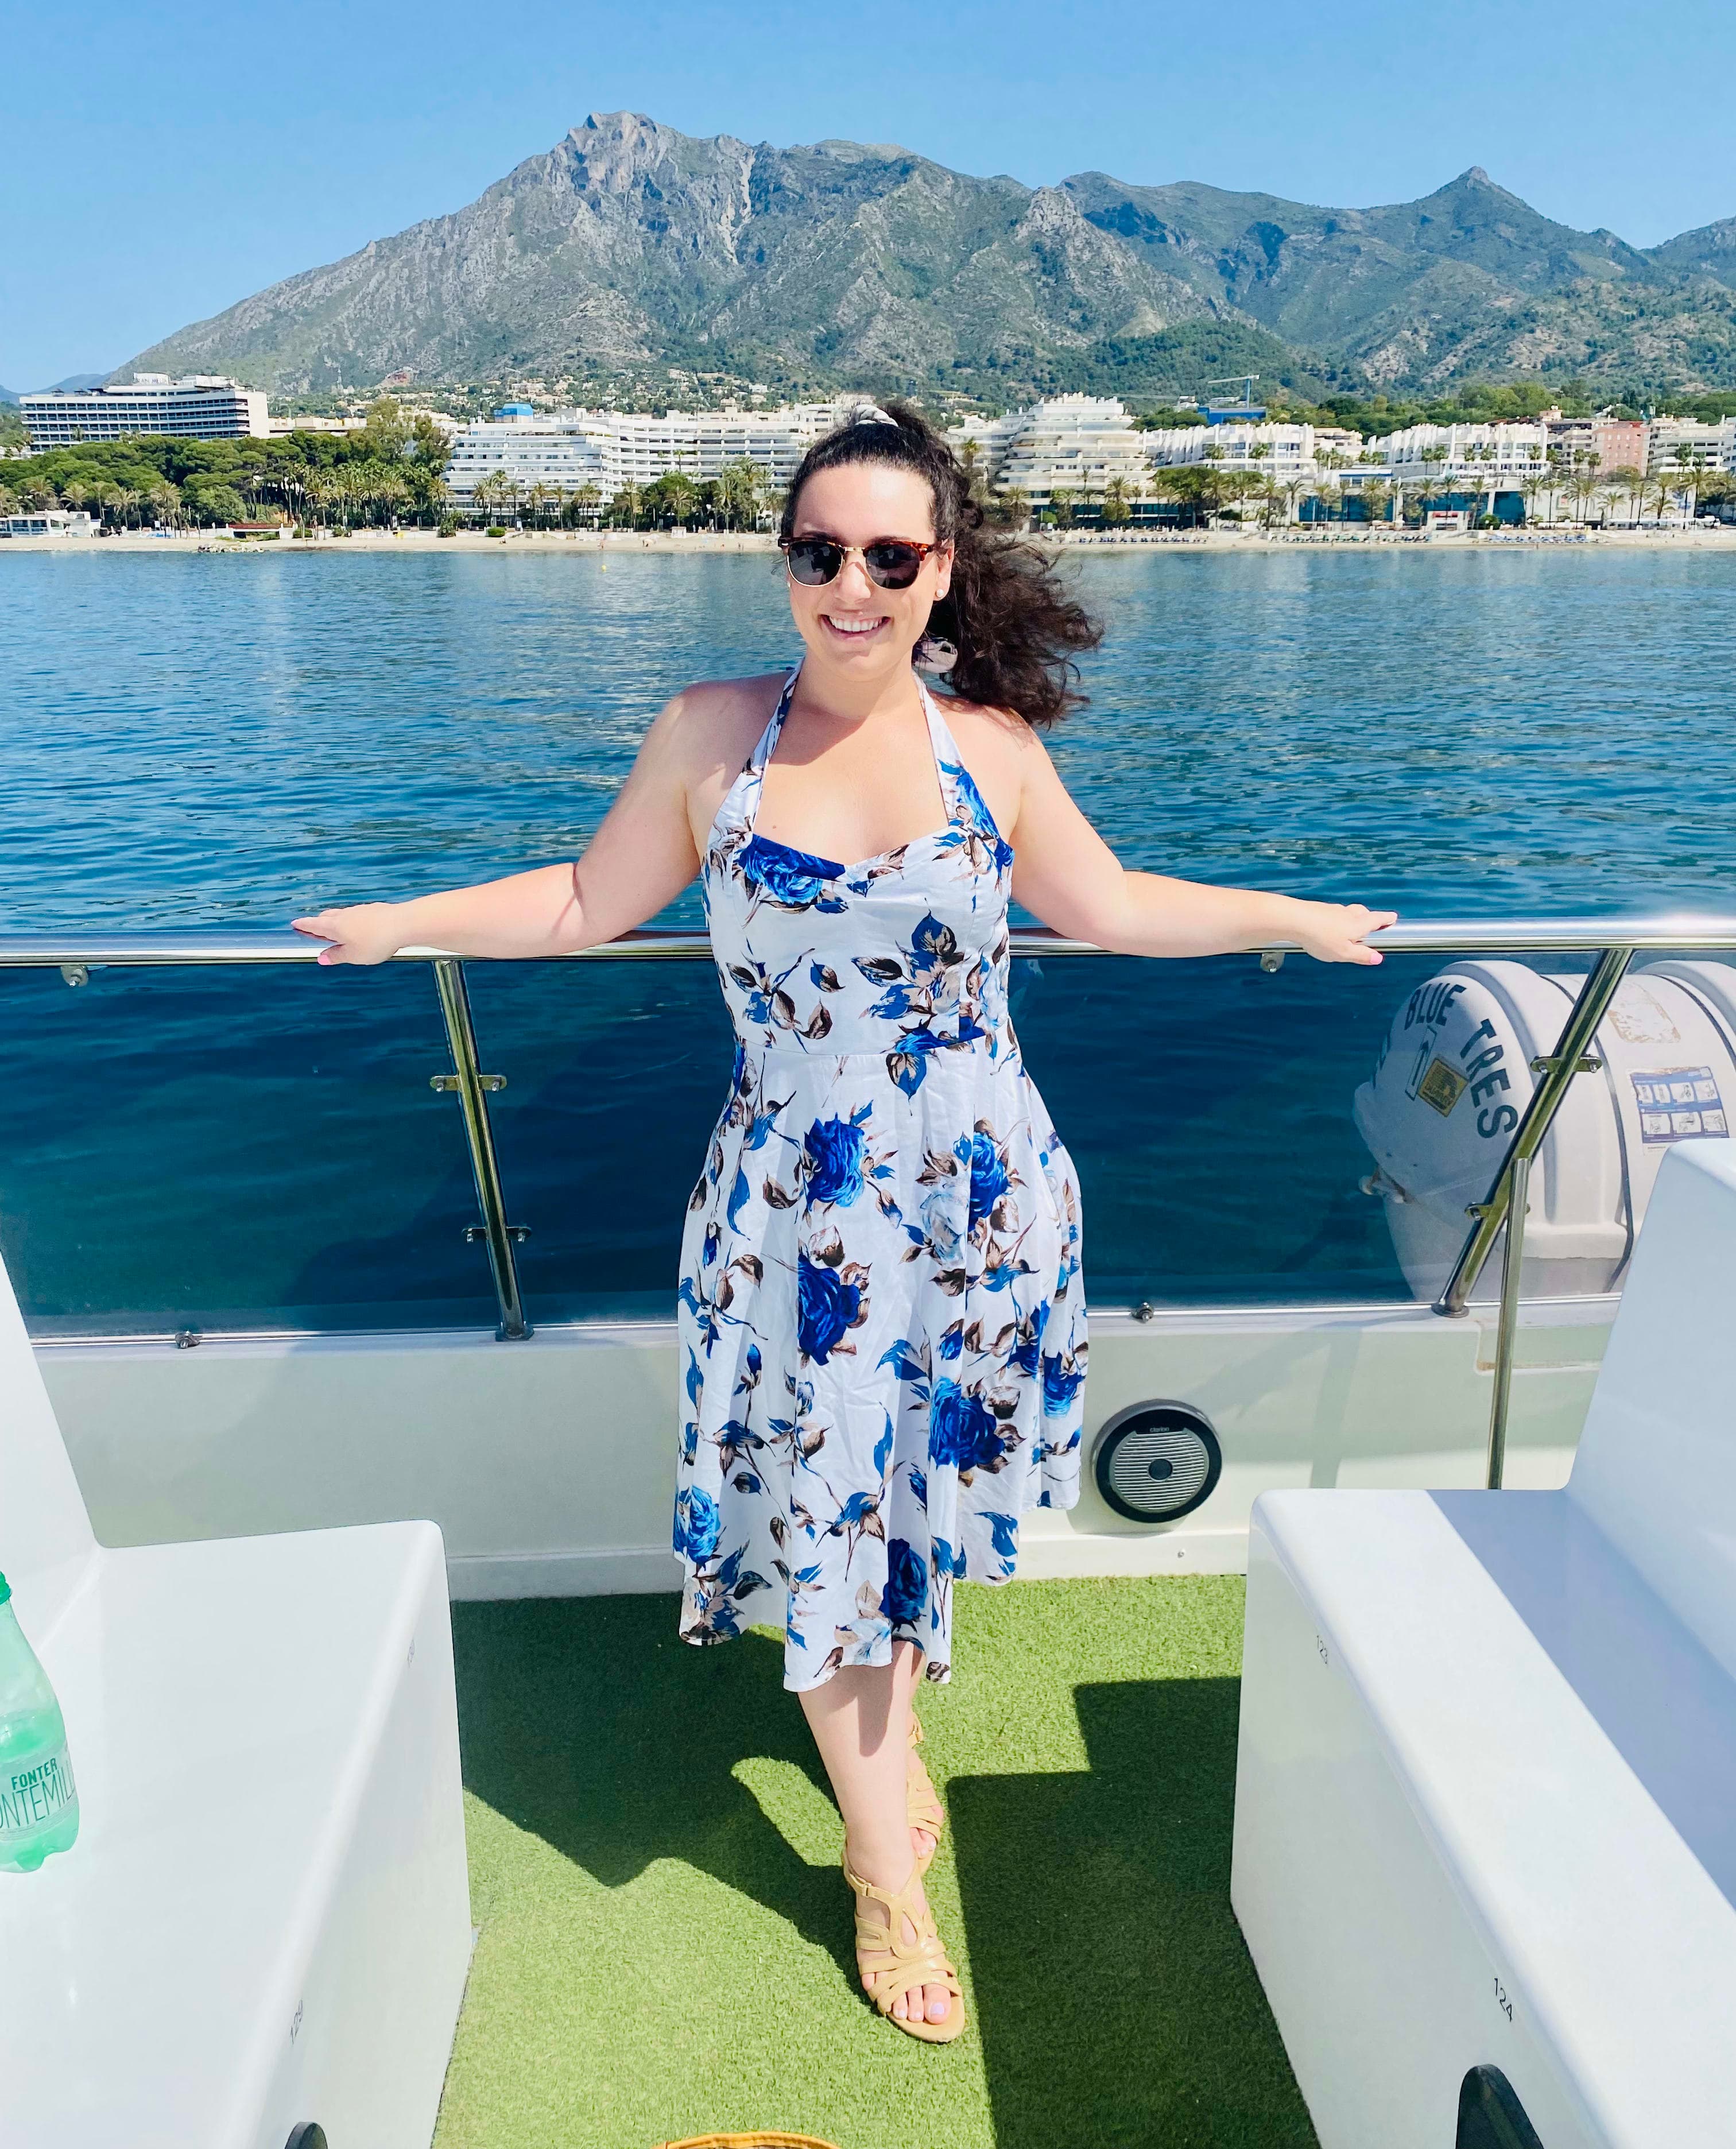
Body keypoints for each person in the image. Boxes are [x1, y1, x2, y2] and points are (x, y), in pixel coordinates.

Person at [293, 402, 1396, 2045]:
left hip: (980, 1200)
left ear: (942, 573)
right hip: (796, 1223)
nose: (855, 585)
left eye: (892, 555)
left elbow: (1108, 908)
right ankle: (888, 1878)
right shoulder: (711, 737)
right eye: (824, 553)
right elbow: (588, 902)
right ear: (787, 565)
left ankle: (883, 1764)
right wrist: (400, 923)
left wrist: (1291, 917)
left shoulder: (994, 752)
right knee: (829, 1531)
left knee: (910, 1508)